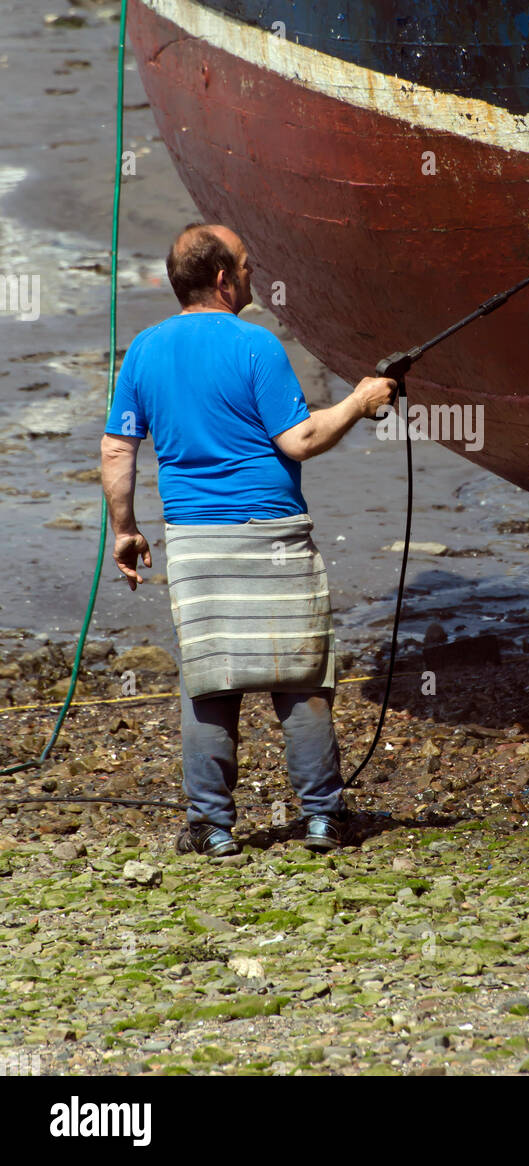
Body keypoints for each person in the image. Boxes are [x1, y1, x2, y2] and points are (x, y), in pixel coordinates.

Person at [100, 222, 396, 857]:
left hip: (196, 544)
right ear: (223, 278)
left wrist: (125, 531)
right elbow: (300, 441)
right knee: (302, 680)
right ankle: (321, 818)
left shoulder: (145, 349)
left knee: (210, 685)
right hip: (275, 536)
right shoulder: (257, 345)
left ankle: (211, 827)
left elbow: (117, 447)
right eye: (246, 263)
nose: (254, 272)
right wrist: (360, 401)